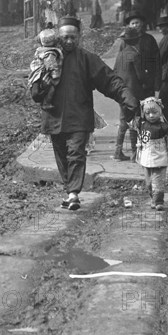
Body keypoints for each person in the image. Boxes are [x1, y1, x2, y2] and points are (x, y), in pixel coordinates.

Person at [30, 16, 138, 210]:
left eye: (73, 37)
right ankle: (70, 191)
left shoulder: (87, 59)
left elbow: (109, 81)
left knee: (76, 154)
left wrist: (126, 96)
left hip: (79, 117)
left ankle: (73, 193)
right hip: (54, 117)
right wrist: (39, 87)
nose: (69, 41)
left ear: (79, 36)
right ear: (58, 36)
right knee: (62, 156)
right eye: (65, 37)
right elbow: (35, 87)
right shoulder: (47, 57)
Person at [113, 11, 161, 161]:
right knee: (135, 122)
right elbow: (140, 76)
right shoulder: (134, 55)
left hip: (122, 92)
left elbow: (115, 71)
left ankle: (117, 151)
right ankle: (135, 153)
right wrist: (146, 84)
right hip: (135, 92)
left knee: (123, 122)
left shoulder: (121, 54)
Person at [129, 97, 168, 210]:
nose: (151, 116)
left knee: (157, 182)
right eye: (148, 113)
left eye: (155, 112)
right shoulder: (142, 125)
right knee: (148, 183)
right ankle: (153, 198)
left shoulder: (165, 127)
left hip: (160, 158)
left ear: (160, 112)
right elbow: (132, 127)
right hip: (145, 159)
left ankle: (159, 201)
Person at [28, 28, 63, 110]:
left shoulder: (41, 50)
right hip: (43, 72)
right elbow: (51, 65)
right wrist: (55, 75)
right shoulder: (50, 53)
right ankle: (47, 103)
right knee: (51, 88)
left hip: (38, 71)